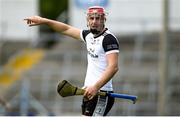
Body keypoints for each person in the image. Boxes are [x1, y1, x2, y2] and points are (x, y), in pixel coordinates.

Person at [24, 6, 119, 116]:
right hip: (88, 92)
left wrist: (96, 87)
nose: (94, 22)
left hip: (101, 93)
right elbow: (66, 29)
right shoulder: (88, 36)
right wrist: (44, 21)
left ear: (104, 20)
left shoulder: (108, 39)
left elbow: (113, 67)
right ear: (87, 20)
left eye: (98, 18)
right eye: (91, 18)